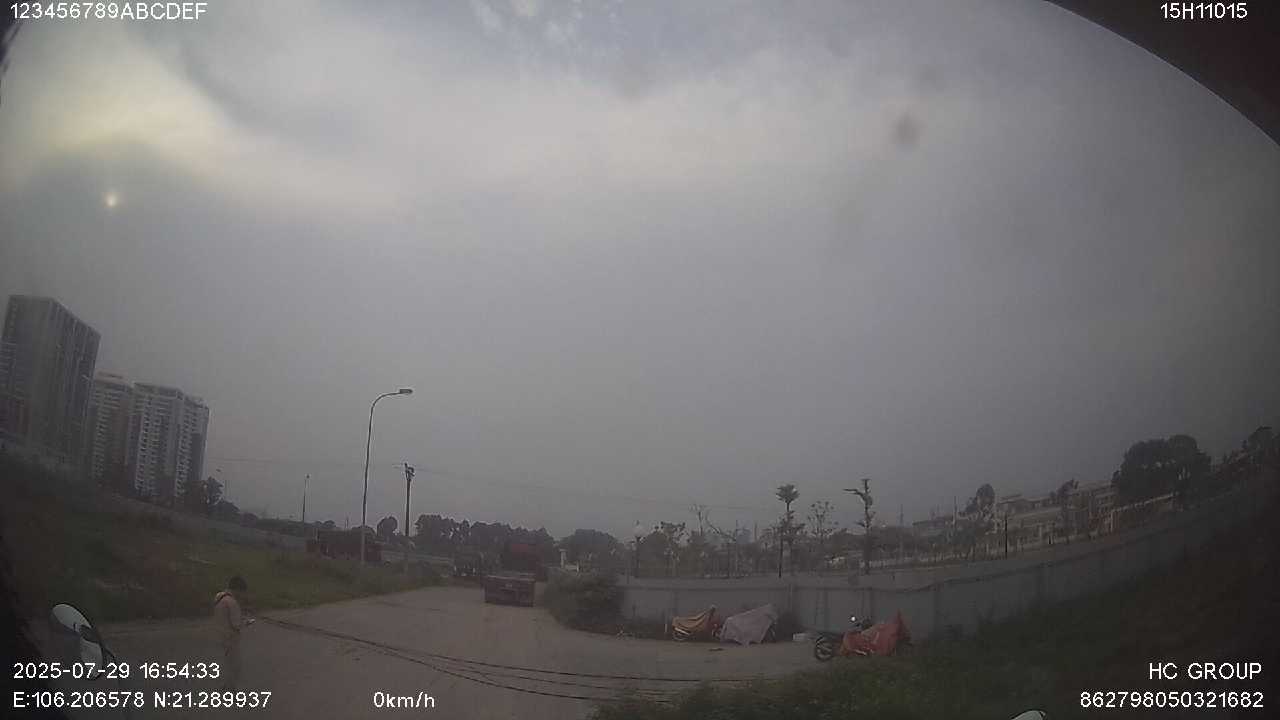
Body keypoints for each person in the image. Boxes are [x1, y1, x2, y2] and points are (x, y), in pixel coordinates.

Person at [212, 576, 253, 690]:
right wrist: (247, 622)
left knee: (228, 661)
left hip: (220, 633)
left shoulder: (219, 597)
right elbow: (236, 624)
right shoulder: (232, 602)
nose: (242, 595)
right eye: (242, 591)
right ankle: (231, 689)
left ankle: (226, 685)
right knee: (235, 664)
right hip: (231, 637)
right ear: (237, 589)